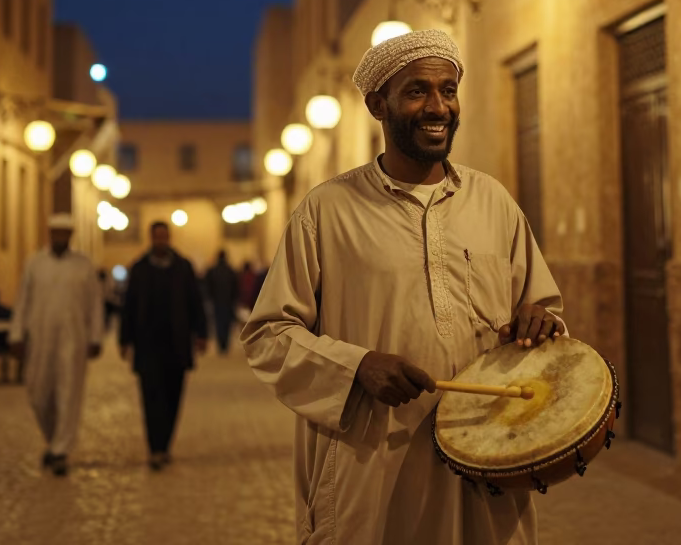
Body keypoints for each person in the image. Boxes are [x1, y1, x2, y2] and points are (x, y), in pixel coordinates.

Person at [241, 29, 566, 545]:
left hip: (487, 461)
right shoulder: (326, 212)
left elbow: (542, 309)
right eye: (417, 91)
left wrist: (541, 321)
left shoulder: (494, 203)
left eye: (448, 90)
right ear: (378, 105)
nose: (437, 106)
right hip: (370, 472)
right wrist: (356, 368)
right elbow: (267, 336)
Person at [10, 213, 104, 476]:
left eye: (65, 235)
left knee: (68, 393)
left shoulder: (84, 266)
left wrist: (95, 337)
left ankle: (61, 450)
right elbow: (23, 300)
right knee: (39, 393)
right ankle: (53, 440)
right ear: (50, 236)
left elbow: (95, 304)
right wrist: (16, 334)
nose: (60, 239)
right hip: (39, 338)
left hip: (73, 339)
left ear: (71, 236)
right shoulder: (34, 264)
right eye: (56, 234)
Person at [120, 221, 208, 469]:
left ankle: (165, 443)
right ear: (151, 238)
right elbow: (129, 306)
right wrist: (124, 339)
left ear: (168, 238)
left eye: (164, 236)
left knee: (173, 396)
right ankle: (155, 448)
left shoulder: (183, 268)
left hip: (176, 345)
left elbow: (195, 303)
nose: (160, 241)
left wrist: (201, 334)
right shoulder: (139, 269)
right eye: (156, 237)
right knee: (150, 396)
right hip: (147, 345)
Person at [204, 250, 238, 354]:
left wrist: (209, 298)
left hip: (216, 302)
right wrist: (234, 300)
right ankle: (225, 344)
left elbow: (208, 286)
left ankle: (221, 344)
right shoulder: (230, 271)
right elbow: (235, 287)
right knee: (226, 324)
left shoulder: (212, 271)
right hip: (228, 302)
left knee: (218, 323)